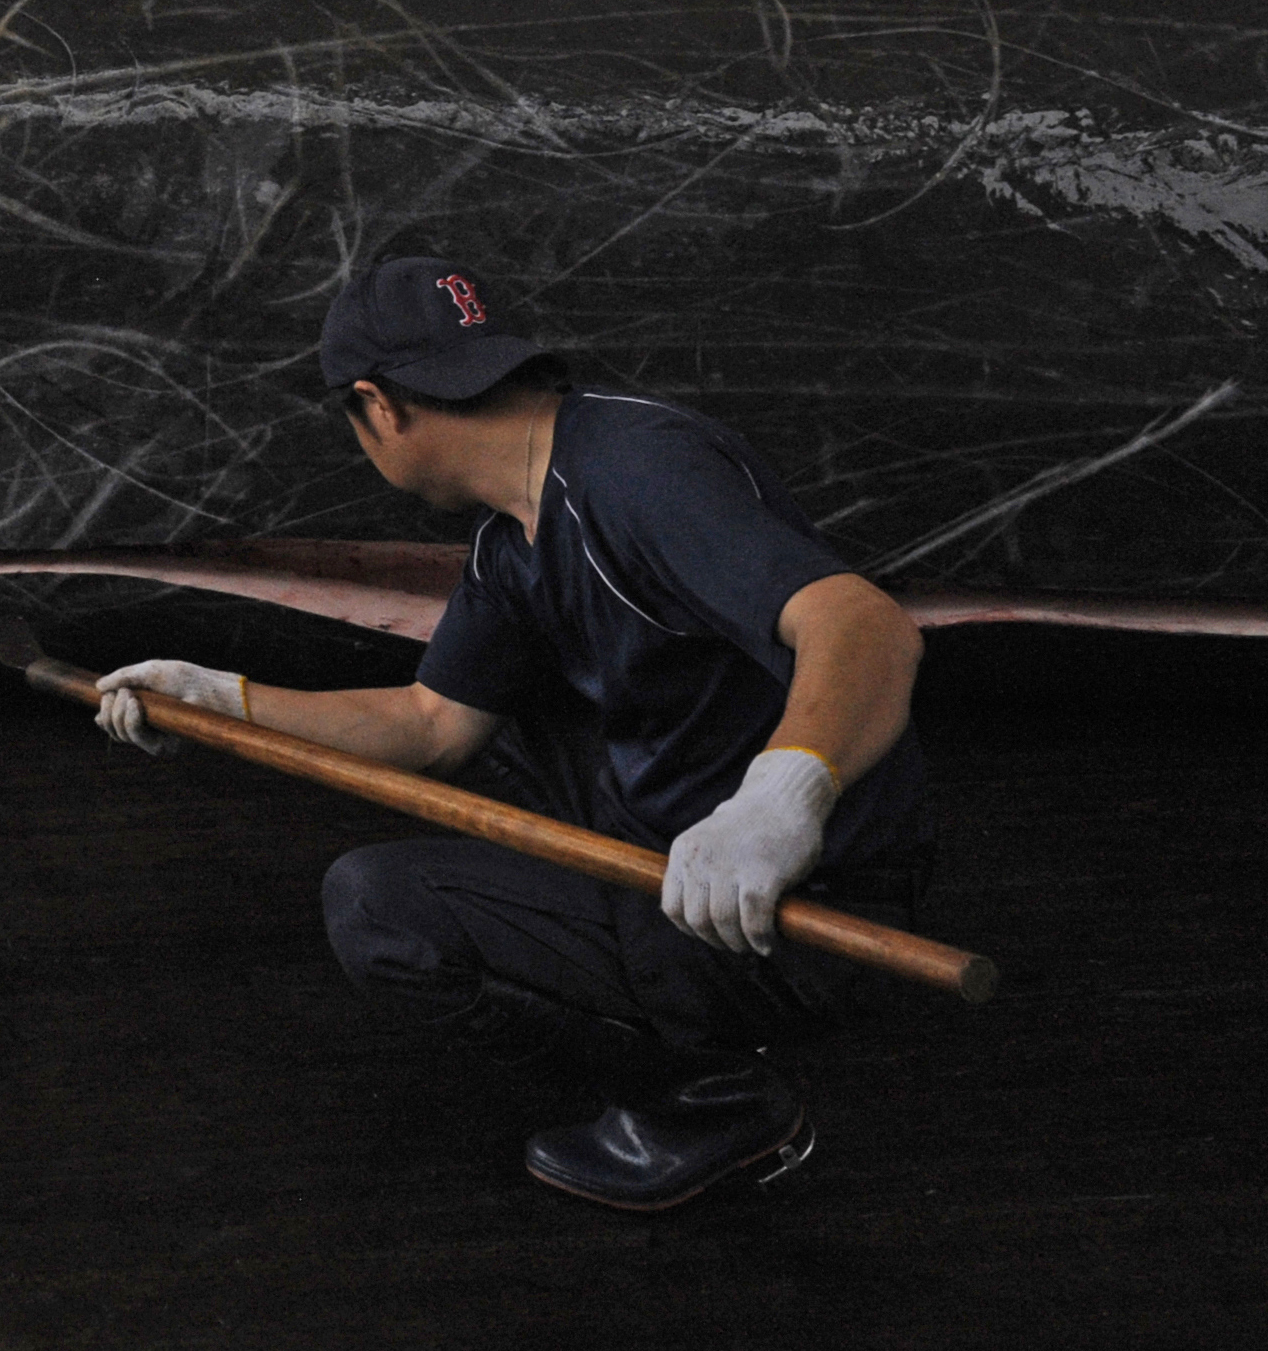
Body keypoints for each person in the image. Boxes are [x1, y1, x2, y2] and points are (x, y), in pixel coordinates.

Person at [88, 257, 931, 1213]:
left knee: (377, 907)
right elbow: (431, 724)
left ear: (378, 405)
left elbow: (864, 623)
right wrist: (219, 696)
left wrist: (783, 800)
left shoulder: (634, 472)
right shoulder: (514, 535)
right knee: (510, 733)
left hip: (800, 905)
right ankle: (667, 984)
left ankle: (710, 1100)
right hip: (681, 842)